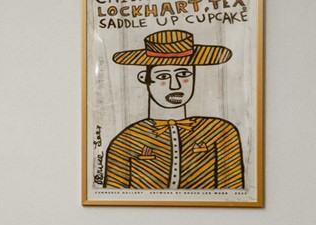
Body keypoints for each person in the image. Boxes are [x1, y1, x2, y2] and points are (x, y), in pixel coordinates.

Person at [97, 29, 244, 191]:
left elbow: (233, 194)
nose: (175, 85)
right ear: (145, 79)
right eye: (163, 76)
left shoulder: (221, 132)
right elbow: (115, 201)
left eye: (183, 74)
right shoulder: (125, 141)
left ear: (194, 75)